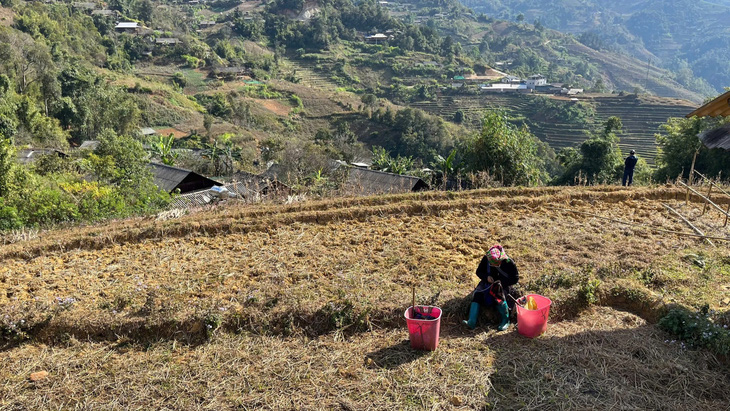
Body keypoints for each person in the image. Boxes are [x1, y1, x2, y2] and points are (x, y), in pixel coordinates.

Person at [463, 244, 520, 331]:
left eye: (496, 264)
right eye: (492, 264)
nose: (494, 265)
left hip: (502, 285)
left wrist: (502, 282)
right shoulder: (487, 258)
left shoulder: (508, 262)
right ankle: (472, 321)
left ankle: (505, 320)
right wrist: (486, 277)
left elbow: (515, 279)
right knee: (478, 295)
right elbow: (479, 272)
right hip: (487, 283)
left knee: (499, 297)